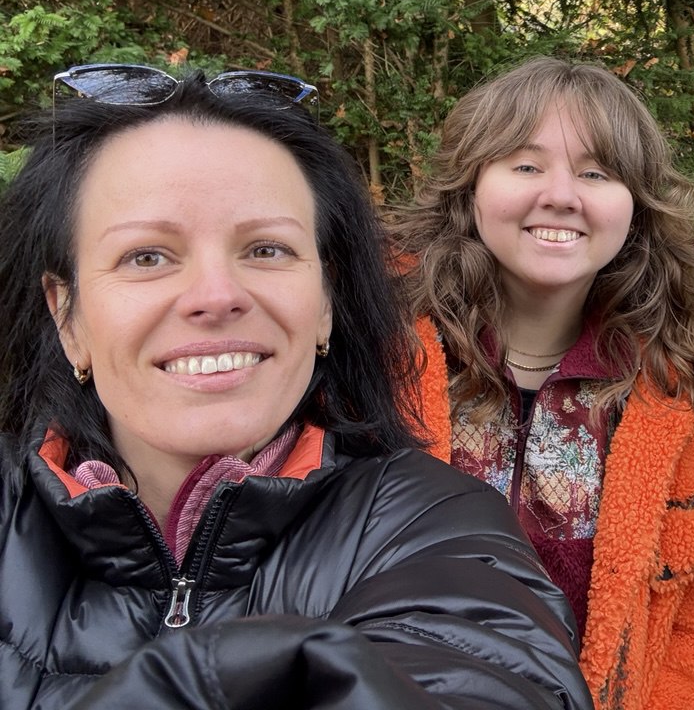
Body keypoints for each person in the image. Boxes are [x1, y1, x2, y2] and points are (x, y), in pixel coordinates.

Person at [0, 64, 593, 710]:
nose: (217, 296)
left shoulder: (436, 526)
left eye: (266, 250)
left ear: (325, 303)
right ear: (67, 316)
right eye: (147, 256)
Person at [391, 57, 694, 710]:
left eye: (596, 173)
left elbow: (692, 624)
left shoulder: (673, 392)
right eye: (525, 165)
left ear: (636, 206)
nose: (561, 195)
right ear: (471, 184)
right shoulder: (381, 355)